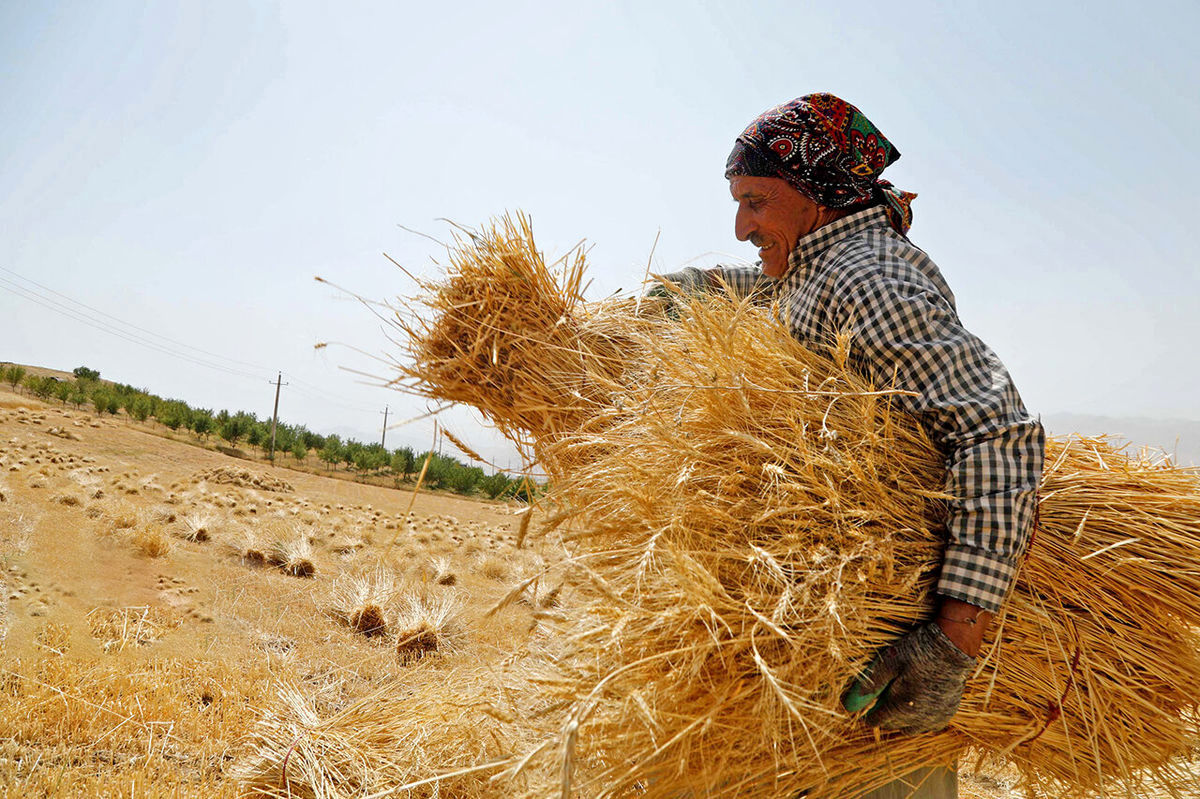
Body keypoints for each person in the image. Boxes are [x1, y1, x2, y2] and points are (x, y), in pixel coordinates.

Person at [653, 93, 1045, 799]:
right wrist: (694, 290)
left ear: (814, 193)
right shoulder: (818, 267)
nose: (740, 225)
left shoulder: (869, 277)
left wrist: (952, 640)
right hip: (829, 651)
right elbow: (779, 295)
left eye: (754, 201)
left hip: (886, 654)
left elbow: (997, 433)